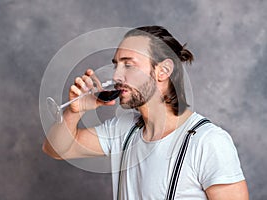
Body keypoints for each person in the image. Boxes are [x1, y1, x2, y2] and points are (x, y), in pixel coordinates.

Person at [43, 26, 249, 199]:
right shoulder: (124, 129)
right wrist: (74, 110)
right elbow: (56, 149)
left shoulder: (207, 141)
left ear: (163, 70)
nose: (116, 75)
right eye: (116, 65)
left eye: (128, 65)